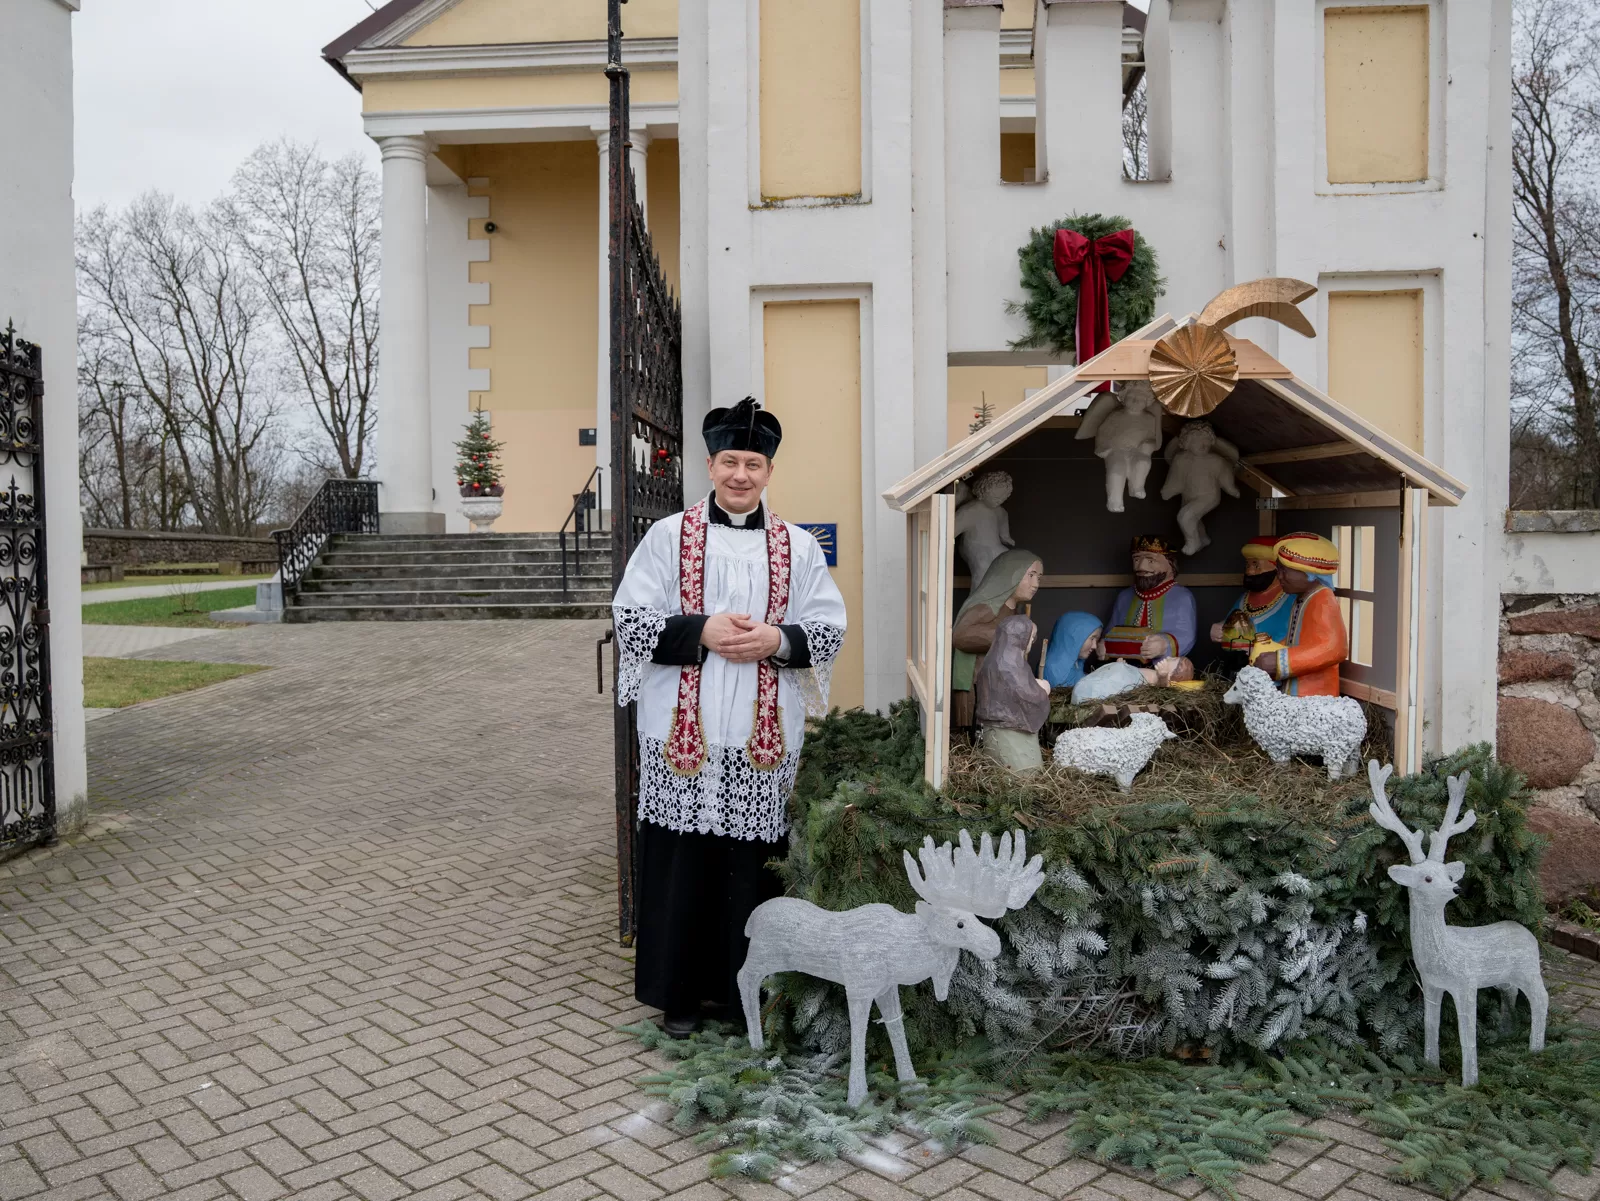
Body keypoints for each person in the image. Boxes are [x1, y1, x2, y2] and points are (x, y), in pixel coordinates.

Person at [611, 396, 847, 1037]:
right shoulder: (667, 537)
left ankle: (745, 998)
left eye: (754, 464)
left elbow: (829, 625)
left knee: (749, 872)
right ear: (709, 466)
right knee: (682, 865)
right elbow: (629, 619)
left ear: (769, 472)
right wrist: (701, 630)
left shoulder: (797, 547)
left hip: (759, 738)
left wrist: (778, 641)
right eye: (729, 462)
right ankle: (679, 997)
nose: (741, 475)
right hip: (682, 737)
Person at [950, 549, 1044, 728]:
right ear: (1010, 574)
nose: (1036, 584)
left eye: (1039, 577)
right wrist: (1013, 634)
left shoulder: (1012, 609)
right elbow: (961, 635)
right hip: (975, 683)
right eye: (1031, 575)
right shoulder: (987, 606)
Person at [1257, 531, 1346, 696]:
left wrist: (1281, 661)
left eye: (1285, 571)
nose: (1279, 577)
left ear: (1309, 574)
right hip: (1298, 693)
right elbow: (1297, 640)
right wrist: (1272, 649)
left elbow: (1332, 647)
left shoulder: (1323, 601)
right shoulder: (1303, 599)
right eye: (1279, 570)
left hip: (1315, 696)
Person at [1102, 535, 1196, 684]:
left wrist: (1164, 644)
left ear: (1170, 563)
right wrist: (1104, 645)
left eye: (1151, 560)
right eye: (1136, 559)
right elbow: (1112, 629)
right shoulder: (1125, 597)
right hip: (1124, 669)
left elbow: (1187, 635)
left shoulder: (1181, 597)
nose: (1141, 567)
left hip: (1163, 671)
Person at [974, 614, 1052, 773]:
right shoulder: (1011, 665)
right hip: (1012, 732)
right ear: (1020, 637)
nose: (1032, 642)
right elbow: (1024, 694)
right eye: (1031, 637)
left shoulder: (990, 662)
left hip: (992, 729)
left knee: (997, 768)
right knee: (1021, 771)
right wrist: (1042, 690)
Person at [1210, 535, 1293, 673]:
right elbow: (1230, 623)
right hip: (1238, 667)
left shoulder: (1289, 599)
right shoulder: (1245, 599)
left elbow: (1292, 635)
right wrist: (1219, 629)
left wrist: (1261, 648)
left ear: (1277, 567)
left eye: (1256, 565)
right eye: (1247, 565)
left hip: (1271, 670)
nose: (1249, 571)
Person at [1041, 611, 1104, 689]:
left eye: (1096, 639)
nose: (1094, 646)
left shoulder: (1077, 662)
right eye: (1092, 638)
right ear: (1075, 637)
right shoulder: (1053, 669)